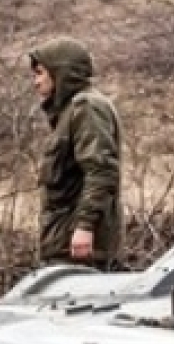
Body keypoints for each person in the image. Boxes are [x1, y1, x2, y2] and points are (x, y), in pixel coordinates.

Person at [27, 38, 123, 267]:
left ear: (61, 73)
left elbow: (101, 170)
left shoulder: (87, 107)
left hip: (79, 248)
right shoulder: (70, 111)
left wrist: (84, 227)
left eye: (40, 73)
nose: (36, 82)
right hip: (64, 243)